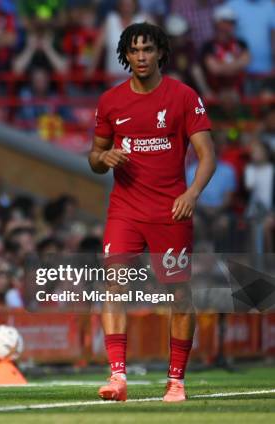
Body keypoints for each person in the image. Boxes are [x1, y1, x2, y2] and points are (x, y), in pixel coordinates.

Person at [88, 23, 216, 402]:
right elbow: (94, 157)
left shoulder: (183, 96)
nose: (141, 57)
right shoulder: (111, 101)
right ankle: (117, 377)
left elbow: (208, 156)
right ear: (124, 55)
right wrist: (103, 157)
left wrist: (192, 193)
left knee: (178, 294)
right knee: (114, 286)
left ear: (160, 52)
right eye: (134, 50)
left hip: (171, 211)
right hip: (124, 210)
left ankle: (176, 380)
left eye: (147, 49)